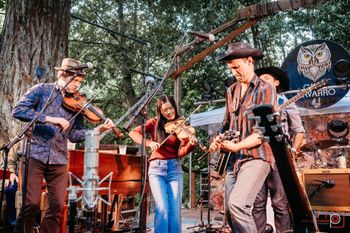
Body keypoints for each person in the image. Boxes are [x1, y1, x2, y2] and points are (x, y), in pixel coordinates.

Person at [11, 58, 115, 233]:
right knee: (30, 203)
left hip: (59, 158)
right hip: (34, 153)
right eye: (75, 80)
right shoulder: (42, 90)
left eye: (80, 82)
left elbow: (74, 135)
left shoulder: (78, 105)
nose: (77, 85)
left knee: (58, 205)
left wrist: (97, 129)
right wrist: (49, 119)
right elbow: (18, 110)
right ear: (61, 74)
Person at [209, 42, 277, 233]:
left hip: (257, 156)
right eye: (231, 69)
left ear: (249, 61)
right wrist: (219, 139)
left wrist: (236, 147)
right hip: (233, 161)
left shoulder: (266, 89)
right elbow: (226, 124)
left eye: (237, 68)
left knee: (238, 205)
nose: (234, 73)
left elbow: (262, 134)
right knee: (231, 213)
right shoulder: (231, 92)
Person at [128, 95, 197, 233]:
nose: (169, 112)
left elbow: (180, 153)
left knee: (175, 210)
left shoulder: (181, 125)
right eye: (165, 110)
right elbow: (133, 133)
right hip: (156, 170)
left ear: (175, 107)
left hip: (174, 168)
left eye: (171, 108)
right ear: (160, 111)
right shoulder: (154, 122)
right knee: (162, 209)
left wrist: (190, 145)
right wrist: (149, 143)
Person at [252, 66, 305, 233]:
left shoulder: (285, 102)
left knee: (280, 203)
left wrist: (293, 151)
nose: (262, 81)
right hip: (257, 157)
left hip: (279, 159)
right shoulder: (254, 103)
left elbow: (299, 131)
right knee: (257, 203)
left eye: (266, 78)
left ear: (276, 82)